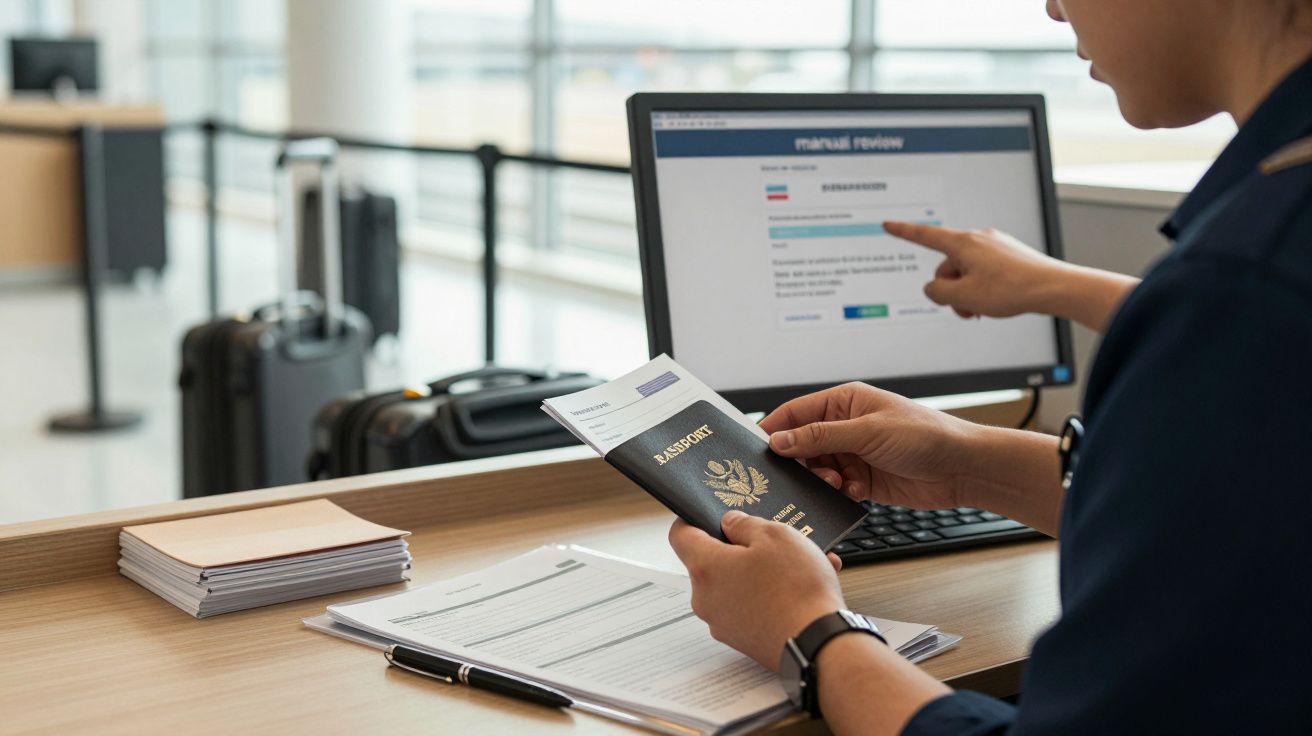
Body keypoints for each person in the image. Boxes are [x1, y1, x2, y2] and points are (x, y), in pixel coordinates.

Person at [668, 1, 1312, 733]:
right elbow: (1236, 516)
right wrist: (968, 464)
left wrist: (807, 632)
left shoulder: (1246, 292)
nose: (1053, 6)